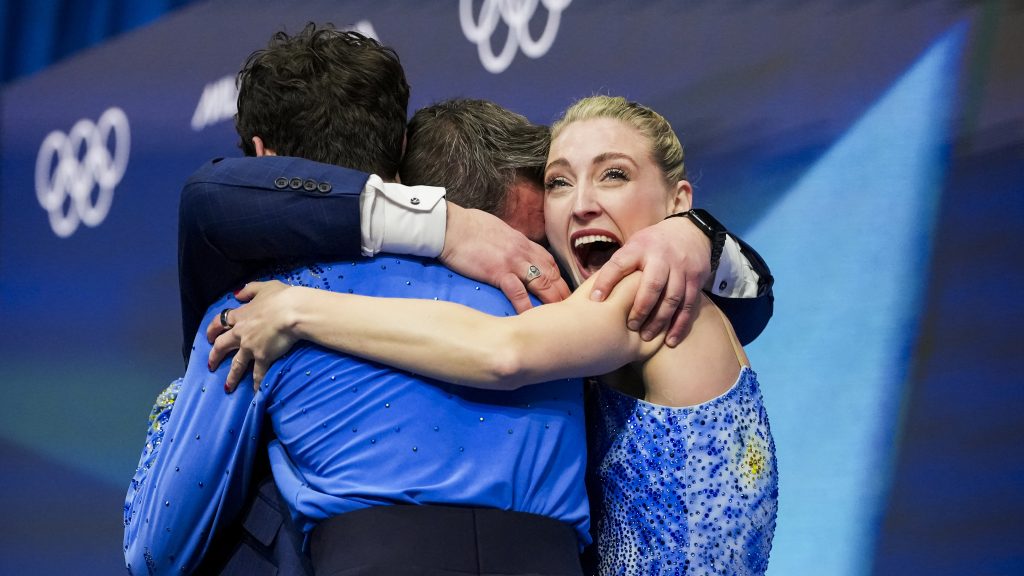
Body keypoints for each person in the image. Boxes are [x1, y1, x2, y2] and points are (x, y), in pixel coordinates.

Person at [126, 25, 764, 575]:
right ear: (398, 157)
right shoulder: (567, 304)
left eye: (614, 174)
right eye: (561, 183)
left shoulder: (252, 314)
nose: (582, 204)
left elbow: (156, 551)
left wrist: (292, 315)